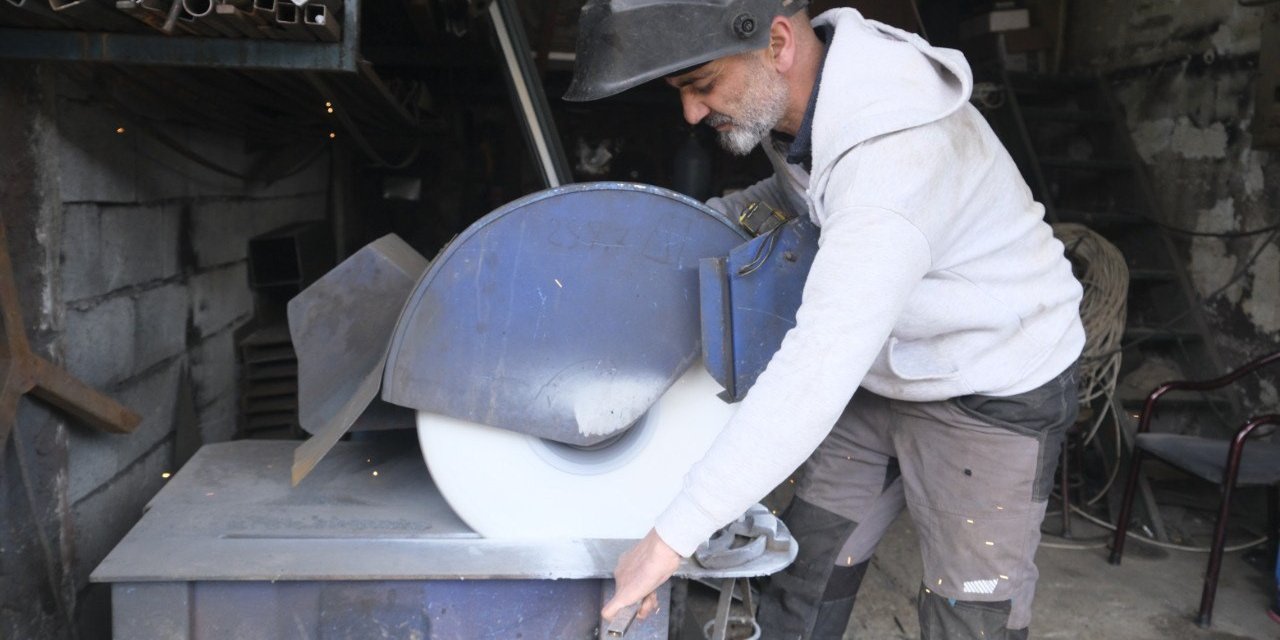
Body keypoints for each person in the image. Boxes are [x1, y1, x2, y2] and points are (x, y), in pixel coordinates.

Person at [564, 1, 1085, 637]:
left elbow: (816, 367)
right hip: (883, 369)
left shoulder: (893, 156)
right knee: (803, 583)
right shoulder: (809, 108)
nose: (691, 113)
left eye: (701, 86)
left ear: (777, 41)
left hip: (989, 382)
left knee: (968, 615)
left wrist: (667, 541)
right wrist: (682, 237)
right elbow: (793, 201)